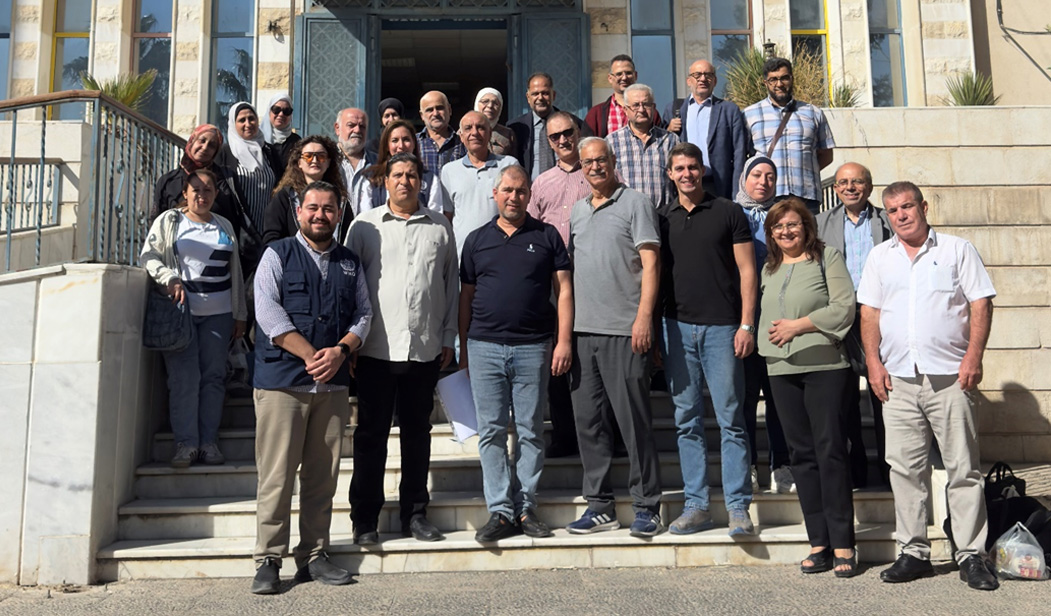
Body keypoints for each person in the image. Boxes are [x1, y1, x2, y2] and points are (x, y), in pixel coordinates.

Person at [858, 181, 999, 591]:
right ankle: (914, 552)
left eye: (907, 207)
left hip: (950, 378)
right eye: (893, 210)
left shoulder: (956, 249)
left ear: (923, 206)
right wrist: (873, 363)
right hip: (898, 379)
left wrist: (974, 357)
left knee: (963, 469)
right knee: (904, 470)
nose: (901, 215)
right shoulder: (880, 257)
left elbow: (980, 303)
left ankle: (972, 554)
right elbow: (870, 312)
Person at [249, 180, 371, 594]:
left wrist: (339, 351)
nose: (320, 215)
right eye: (313, 208)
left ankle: (314, 555)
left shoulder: (350, 262)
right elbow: (266, 310)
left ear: (339, 214)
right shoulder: (276, 254)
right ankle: (268, 559)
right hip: (283, 384)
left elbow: (364, 315)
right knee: (277, 477)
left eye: (329, 209)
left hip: (332, 387)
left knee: (323, 477)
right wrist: (309, 355)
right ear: (299, 212)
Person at [345, 153, 458, 546]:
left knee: (417, 434)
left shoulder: (440, 227)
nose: (405, 181)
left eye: (412, 175)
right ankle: (364, 519)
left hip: (423, 348)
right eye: (398, 175)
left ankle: (416, 514)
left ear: (421, 181)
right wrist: (350, 341)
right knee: (371, 435)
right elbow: (350, 288)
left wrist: (448, 337)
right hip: (376, 347)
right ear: (385, 180)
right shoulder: (364, 227)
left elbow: (451, 286)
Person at [459, 165, 573, 542]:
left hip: (533, 346)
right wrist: (464, 346)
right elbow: (467, 297)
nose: (514, 196)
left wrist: (563, 341)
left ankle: (525, 508)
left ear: (529, 195)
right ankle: (500, 511)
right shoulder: (476, 240)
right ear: (495, 194)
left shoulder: (547, 236)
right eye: (507, 190)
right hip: (484, 346)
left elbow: (565, 292)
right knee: (491, 431)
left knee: (529, 431)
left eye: (521, 191)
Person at [657, 142, 757, 536]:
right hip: (676, 328)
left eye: (692, 167)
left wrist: (746, 324)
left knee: (731, 419)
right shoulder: (662, 219)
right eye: (679, 168)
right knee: (686, 421)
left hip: (722, 328)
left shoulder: (728, 212)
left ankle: (737, 507)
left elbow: (748, 272)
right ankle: (697, 505)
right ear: (670, 173)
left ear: (702, 170)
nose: (686, 174)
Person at [565, 137, 663, 538]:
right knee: (589, 424)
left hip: (626, 330)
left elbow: (652, 263)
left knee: (633, 422)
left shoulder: (635, 203)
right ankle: (600, 506)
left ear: (613, 161)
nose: (594, 167)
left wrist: (644, 318)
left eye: (601, 160)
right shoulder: (577, 211)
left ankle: (647, 506)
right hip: (584, 332)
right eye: (588, 162)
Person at [758, 198, 857, 577]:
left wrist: (798, 326)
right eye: (778, 227)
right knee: (800, 454)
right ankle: (819, 542)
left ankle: (844, 542)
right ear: (771, 233)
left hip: (825, 366)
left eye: (793, 225)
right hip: (780, 369)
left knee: (830, 450)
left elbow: (844, 307)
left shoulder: (826, 257)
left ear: (807, 227)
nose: (786, 232)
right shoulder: (769, 267)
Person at [141, 168, 247, 468]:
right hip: (181, 316)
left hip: (219, 314)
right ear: (185, 194)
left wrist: (239, 314)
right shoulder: (170, 221)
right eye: (196, 189)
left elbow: (234, 272)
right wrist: (169, 277)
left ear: (215, 194)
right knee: (183, 379)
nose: (202, 194)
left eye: (208, 189)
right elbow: (149, 256)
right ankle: (186, 444)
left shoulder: (223, 224)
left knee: (213, 379)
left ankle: (208, 442)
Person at [816, 162, 894, 488]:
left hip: (880, 314)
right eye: (843, 182)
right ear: (835, 189)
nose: (850, 187)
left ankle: (892, 471)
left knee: (884, 395)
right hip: (840, 317)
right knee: (843, 397)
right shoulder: (820, 223)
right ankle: (855, 466)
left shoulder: (888, 221)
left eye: (857, 181)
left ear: (869, 186)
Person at [527, 112, 589, 458]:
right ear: (548, 142)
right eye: (555, 137)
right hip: (553, 282)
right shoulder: (541, 182)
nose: (563, 141)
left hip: (592, 277)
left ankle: (602, 435)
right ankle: (564, 434)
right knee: (556, 360)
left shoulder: (597, 170)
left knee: (593, 359)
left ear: (578, 131)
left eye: (568, 133)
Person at [735, 155, 793, 494]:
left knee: (778, 399)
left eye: (770, 176)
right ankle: (749, 465)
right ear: (744, 178)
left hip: (777, 320)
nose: (763, 182)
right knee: (744, 400)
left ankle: (781, 464)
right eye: (756, 174)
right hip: (744, 321)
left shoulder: (784, 216)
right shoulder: (732, 213)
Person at [743, 58, 835, 214]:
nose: (779, 84)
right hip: (767, 197)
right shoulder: (749, 115)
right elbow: (743, 156)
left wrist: (805, 170)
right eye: (773, 79)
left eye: (784, 78)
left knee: (809, 238)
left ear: (792, 79)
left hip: (806, 197)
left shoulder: (813, 113)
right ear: (765, 82)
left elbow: (826, 154)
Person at [665, 59, 752, 200]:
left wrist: (738, 191)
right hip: (685, 183)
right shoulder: (674, 109)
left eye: (708, 75)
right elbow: (665, 147)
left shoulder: (729, 110)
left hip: (718, 184)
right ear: (689, 80)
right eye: (697, 75)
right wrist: (668, 130)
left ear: (715, 81)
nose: (703, 79)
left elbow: (739, 153)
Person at [441, 111, 515, 259]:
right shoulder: (449, 171)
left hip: (502, 253)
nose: (474, 133)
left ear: (489, 134)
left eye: (480, 127)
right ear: (461, 136)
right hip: (463, 257)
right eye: (468, 128)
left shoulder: (509, 165)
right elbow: (447, 218)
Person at [152, 124, 241, 237]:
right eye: (202, 141)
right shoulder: (169, 181)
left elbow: (234, 219)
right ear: (192, 141)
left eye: (212, 145)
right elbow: (156, 221)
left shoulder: (224, 180)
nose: (205, 147)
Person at [262, 136, 349, 245]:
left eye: (321, 156)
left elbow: (348, 239)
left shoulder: (340, 200)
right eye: (308, 156)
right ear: (299, 163)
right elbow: (272, 238)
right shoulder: (286, 197)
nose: (315, 160)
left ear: (328, 162)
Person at [605, 84, 679, 208]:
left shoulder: (670, 140)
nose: (641, 110)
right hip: (626, 218)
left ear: (654, 108)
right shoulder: (612, 141)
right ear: (625, 110)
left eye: (646, 104)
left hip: (663, 218)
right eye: (635, 105)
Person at [214, 102, 284, 232]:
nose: (248, 124)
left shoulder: (269, 152)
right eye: (242, 120)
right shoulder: (225, 153)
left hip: (268, 230)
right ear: (233, 125)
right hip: (239, 231)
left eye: (252, 119)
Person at [508, 72, 590, 180]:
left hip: (567, 186)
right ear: (528, 97)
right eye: (535, 94)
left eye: (545, 93)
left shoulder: (574, 124)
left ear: (553, 95)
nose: (540, 98)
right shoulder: (516, 128)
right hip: (531, 191)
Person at [357, 119, 444, 215]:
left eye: (406, 139)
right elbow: (366, 217)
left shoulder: (430, 180)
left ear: (414, 144)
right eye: (395, 140)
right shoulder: (372, 178)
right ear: (387, 145)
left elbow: (435, 218)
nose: (401, 146)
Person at [584, 54, 662, 138]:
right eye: (619, 74)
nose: (624, 78)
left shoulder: (649, 112)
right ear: (610, 78)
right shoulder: (595, 114)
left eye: (628, 73)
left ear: (635, 75)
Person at [333, 107, 375, 213]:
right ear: (337, 128)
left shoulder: (379, 163)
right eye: (351, 125)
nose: (357, 130)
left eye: (362, 126)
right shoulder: (327, 162)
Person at [417, 91, 466, 175]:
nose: (435, 113)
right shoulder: (413, 143)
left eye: (440, 108)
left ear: (449, 110)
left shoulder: (463, 142)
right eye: (429, 110)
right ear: (422, 115)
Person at [475, 88, 518, 160]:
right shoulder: (466, 131)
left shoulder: (508, 134)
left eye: (495, 103)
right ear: (476, 104)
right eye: (485, 101)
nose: (490, 106)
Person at [261, 93, 301, 169]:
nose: (281, 114)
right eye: (276, 110)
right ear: (269, 112)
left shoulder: (296, 142)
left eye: (287, 111)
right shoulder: (258, 139)